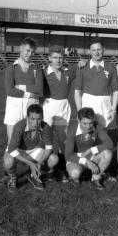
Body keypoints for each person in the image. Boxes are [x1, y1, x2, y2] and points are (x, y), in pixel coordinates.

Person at [0, 104, 59, 193]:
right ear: (27, 117)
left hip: (35, 150)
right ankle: (13, 178)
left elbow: (49, 148)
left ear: (42, 117)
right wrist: (30, 164)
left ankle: (34, 176)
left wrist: (39, 163)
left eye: (39, 119)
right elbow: (12, 149)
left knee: (54, 159)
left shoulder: (46, 127)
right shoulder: (19, 126)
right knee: (8, 162)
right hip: (19, 149)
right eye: (32, 119)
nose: (36, 123)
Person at [41, 45, 76, 182]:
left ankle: (61, 170)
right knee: (47, 141)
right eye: (55, 57)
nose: (58, 60)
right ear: (49, 58)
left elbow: (82, 68)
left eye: (61, 57)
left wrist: (82, 62)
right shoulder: (43, 73)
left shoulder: (69, 71)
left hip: (63, 110)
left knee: (63, 141)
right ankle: (48, 170)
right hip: (47, 110)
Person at [3, 37, 43, 150]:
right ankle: (11, 164)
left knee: (31, 141)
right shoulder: (11, 67)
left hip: (31, 106)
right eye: (27, 50)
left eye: (32, 52)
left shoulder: (37, 68)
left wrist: (20, 87)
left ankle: (31, 164)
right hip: (14, 107)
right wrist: (30, 94)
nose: (30, 54)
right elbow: (10, 90)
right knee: (12, 142)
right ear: (21, 49)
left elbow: (39, 88)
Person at [74, 39, 118, 128]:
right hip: (88, 102)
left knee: (103, 131)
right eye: (93, 50)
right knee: (87, 130)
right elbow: (77, 91)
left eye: (99, 49)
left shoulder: (111, 67)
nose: (96, 52)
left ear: (103, 50)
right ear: (89, 51)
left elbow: (116, 91)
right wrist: (79, 111)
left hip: (105, 104)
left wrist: (113, 109)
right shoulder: (82, 66)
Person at [64, 107, 113, 190]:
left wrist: (91, 150)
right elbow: (68, 155)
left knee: (108, 153)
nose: (88, 127)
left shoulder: (96, 126)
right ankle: (82, 174)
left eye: (91, 123)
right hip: (76, 157)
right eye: (85, 123)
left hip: (91, 155)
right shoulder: (72, 129)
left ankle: (96, 178)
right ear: (78, 120)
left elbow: (110, 144)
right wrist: (86, 162)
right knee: (75, 173)